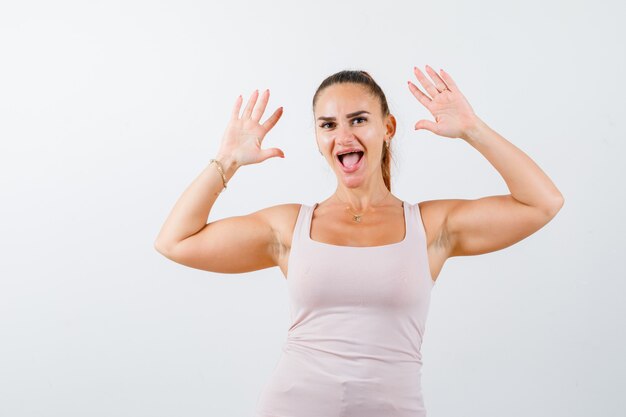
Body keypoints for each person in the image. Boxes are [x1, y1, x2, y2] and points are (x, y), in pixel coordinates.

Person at [154, 66, 564, 416]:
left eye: (358, 119)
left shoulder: (431, 226)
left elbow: (542, 203)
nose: (343, 136)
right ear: (317, 138)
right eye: (328, 125)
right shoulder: (288, 227)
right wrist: (226, 161)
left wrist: (473, 129)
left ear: (387, 128)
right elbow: (175, 241)